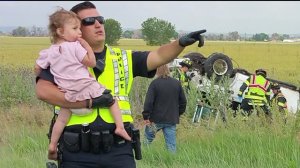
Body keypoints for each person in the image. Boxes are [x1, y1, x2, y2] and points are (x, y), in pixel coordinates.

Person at [35, 1, 206, 167]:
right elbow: (43, 91)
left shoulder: (122, 58)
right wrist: (88, 103)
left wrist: (180, 43)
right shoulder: (61, 57)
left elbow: (159, 56)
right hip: (77, 152)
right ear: (76, 29)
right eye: (88, 21)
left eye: (100, 20)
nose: (97, 24)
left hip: (118, 150)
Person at [34, 8, 131, 160]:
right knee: (111, 100)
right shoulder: (75, 47)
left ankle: (52, 145)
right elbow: (91, 63)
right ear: (60, 31)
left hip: (69, 96)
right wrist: (86, 47)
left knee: (61, 119)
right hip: (86, 88)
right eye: (75, 28)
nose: (79, 32)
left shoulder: (49, 52)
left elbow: (37, 68)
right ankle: (120, 127)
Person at [142, 65, 187, 153]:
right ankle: (171, 163)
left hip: (155, 119)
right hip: (171, 119)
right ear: (168, 70)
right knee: (171, 146)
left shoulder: (154, 83)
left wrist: (146, 117)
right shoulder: (176, 83)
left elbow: (148, 102)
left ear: (157, 71)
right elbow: (183, 102)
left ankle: (143, 158)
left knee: (146, 142)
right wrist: (177, 114)